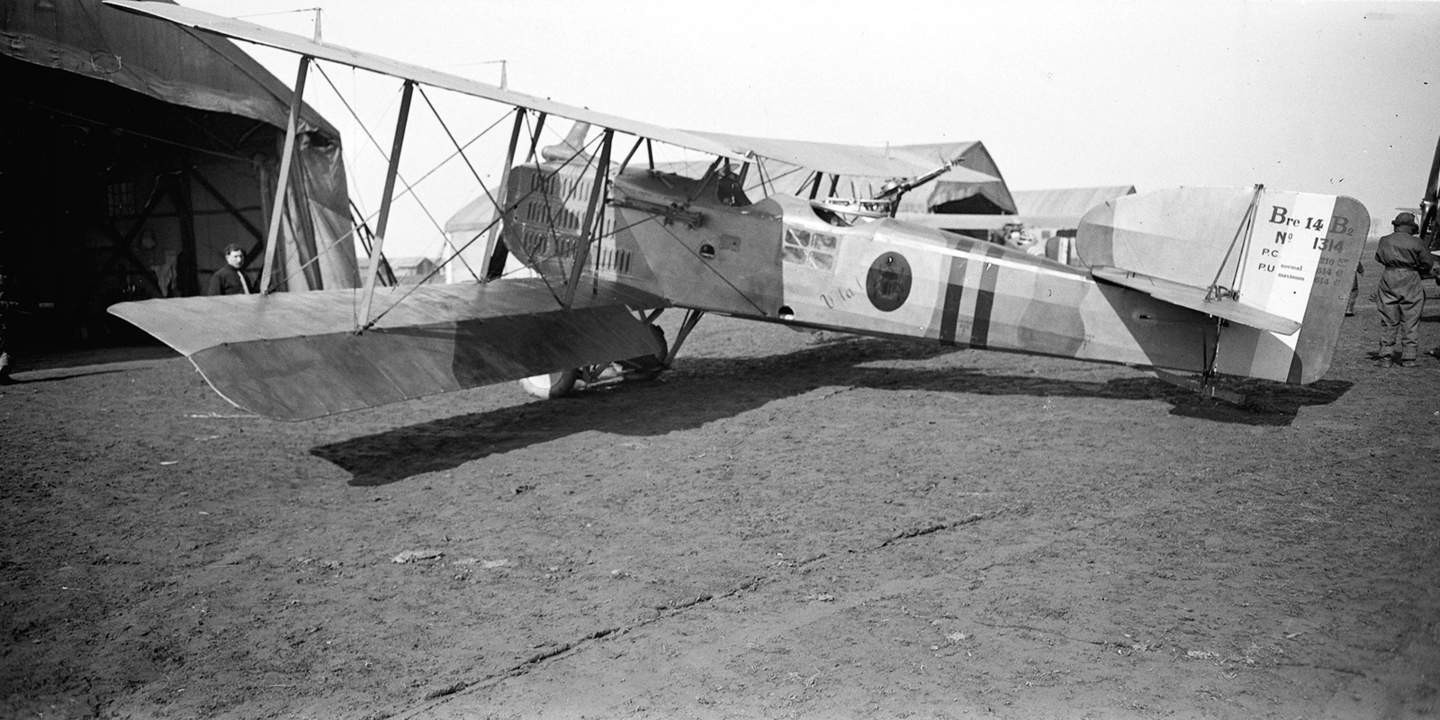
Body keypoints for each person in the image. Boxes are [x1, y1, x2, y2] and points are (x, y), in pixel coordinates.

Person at [1374, 211, 1438, 367]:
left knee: (1388, 319)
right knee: (1411, 320)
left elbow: (1379, 257)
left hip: (1389, 277)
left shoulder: (1384, 240)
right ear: (1411, 227)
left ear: (1396, 225)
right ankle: (1409, 358)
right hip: (1411, 279)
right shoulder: (1417, 242)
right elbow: (1427, 263)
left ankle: (1385, 356)